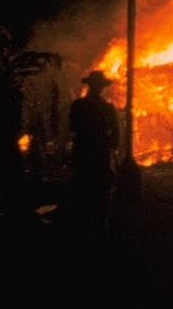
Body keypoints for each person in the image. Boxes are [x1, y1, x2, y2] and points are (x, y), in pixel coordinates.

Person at [68, 70, 120, 236]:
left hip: (83, 152)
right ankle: (99, 227)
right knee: (101, 189)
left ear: (89, 86)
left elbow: (72, 127)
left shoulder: (78, 105)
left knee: (82, 187)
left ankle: (81, 227)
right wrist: (110, 146)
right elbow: (116, 134)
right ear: (102, 88)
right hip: (100, 153)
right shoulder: (108, 108)